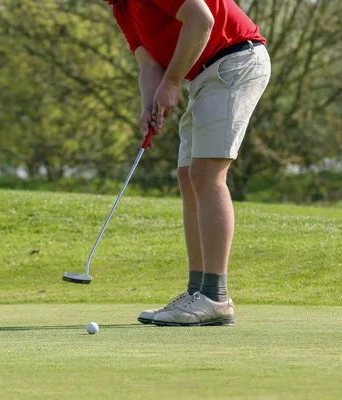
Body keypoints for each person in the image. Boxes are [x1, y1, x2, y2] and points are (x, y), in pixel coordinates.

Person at [109, 0, 271, 326]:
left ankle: (215, 296)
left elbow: (202, 20)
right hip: (204, 74)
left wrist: (170, 84)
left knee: (206, 173)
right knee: (187, 175)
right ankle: (198, 292)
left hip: (234, 60)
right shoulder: (121, 8)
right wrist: (148, 104)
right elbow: (149, 66)